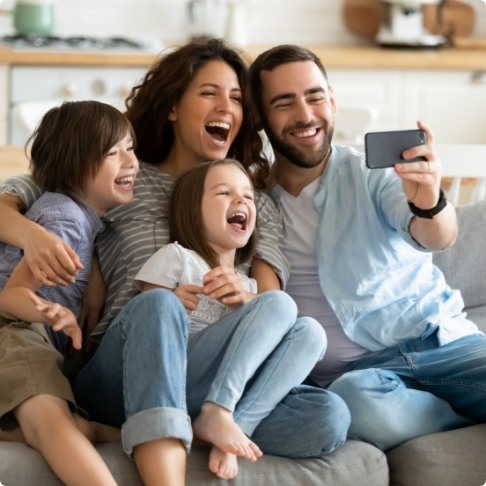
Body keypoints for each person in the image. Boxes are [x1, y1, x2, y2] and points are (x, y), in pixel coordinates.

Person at [0, 39, 350, 486]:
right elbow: (36, 192)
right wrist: (48, 244)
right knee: (158, 305)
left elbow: (273, 304)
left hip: (210, 371)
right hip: (124, 362)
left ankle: (210, 422)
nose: (227, 106)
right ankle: (165, 432)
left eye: (238, 98)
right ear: (172, 107)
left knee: (327, 415)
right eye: (209, 93)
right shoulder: (121, 175)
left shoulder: (253, 198)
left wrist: (245, 294)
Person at [248, 44, 486, 452]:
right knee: (355, 404)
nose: (305, 115)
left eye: (315, 96)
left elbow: (436, 234)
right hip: (363, 379)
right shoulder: (250, 202)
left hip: (441, 342)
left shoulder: (369, 173)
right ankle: (461, 419)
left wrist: (429, 197)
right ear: (260, 117)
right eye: (284, 103)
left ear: (333, 102)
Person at [134, 158, 326, 479]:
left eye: (248, 196)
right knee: (278, 303)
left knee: (312, 332)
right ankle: (217, 414)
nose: (241, 200)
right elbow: (144, 320)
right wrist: (170, 302)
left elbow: (282, 331)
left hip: (230, 392)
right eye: (224, 193)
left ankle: (231, 427)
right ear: (193, 212)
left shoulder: (249, 285)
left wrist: (249, 301)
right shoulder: (178, 257)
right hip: (176, 378)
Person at [0, 100, 139, 485]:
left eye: (131, 147)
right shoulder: (64, 219)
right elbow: (9, 297)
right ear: (74, 164)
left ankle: (89, 430)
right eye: (113, 152)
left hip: (29, 336)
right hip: (13, 329)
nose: (130, 161)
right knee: (50, 422)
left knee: (47, 418)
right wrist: (48, 312)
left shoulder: (82, 220)